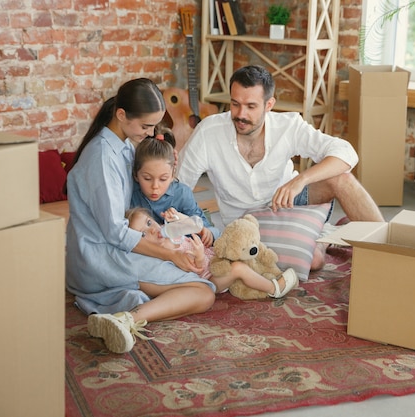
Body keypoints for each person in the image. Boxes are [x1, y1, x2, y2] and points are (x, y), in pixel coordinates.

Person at [176, 65, 384, 270]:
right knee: (313, 262)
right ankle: (322, 238)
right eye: (235, 104)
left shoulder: (288, 125)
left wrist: (299, 181)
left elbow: (346, 152)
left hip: (289, 203)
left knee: (342, 178)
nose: (240, 114)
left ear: (269, 104)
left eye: (251, 106)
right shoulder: (208, 132)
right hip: (246, 224)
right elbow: (178, 187)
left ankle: (390, 252)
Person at [65, 78, 215, 354]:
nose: (149, 134)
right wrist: (168, 254)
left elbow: (143, 188)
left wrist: (165, 161)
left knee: (192, 282)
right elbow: (115, 233)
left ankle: (126, 310)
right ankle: (125, 320)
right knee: (203, 293)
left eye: (153, 127)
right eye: (146, 127)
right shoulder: (102, 156)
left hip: (108, 250)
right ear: (121, 115)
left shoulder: (121, 145)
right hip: (99, 259)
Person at [125, 207, 298, 298]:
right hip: (210, 278)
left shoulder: (166, 231)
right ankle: (274, 289)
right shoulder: (164, 250)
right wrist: (199, 256)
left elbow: (195, 225)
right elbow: (194, 269)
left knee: (242, 242)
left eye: (149, 223)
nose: (152, 230)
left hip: (215, 257)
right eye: (143, 234)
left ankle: (269, 272)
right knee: (237, 268)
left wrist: (178, 217)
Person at [130, 128, 219, 247]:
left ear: (172, 175)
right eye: (147, 178)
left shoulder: (181, 193)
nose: (155, 187)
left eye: (163, 179)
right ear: (135, 174)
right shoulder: (132, 195)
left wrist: (207, 233)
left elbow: (209, 228)